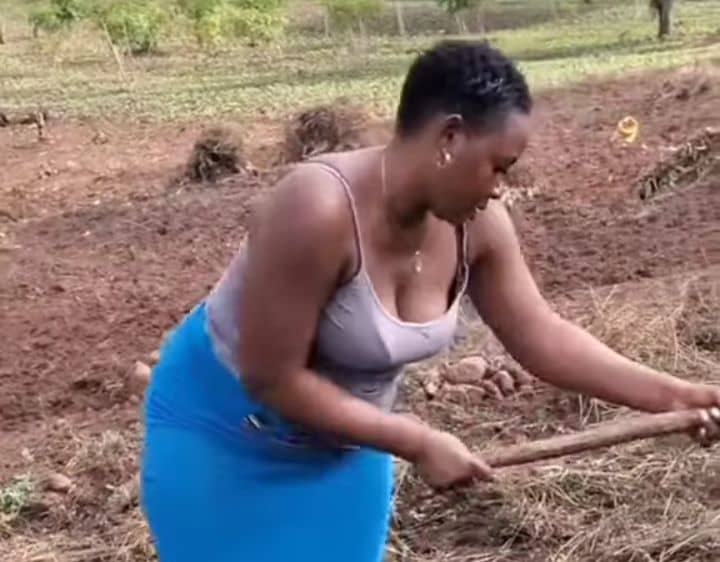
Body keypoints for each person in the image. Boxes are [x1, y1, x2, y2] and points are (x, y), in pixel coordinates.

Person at [140, 39, 720, 562]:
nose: (501, 188)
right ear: (449, 137)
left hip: (346, 443)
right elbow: (273, 378)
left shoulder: (479, 225)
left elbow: (541, 334)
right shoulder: (315, 210)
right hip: (223, 437)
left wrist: (672, 394)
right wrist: (415, 442)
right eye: (498, 167)